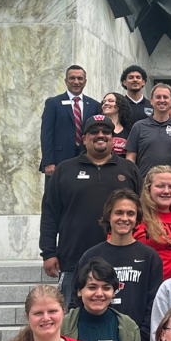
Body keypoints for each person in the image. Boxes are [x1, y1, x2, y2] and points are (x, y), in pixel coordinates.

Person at [39, 115, 142, 305]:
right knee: (73, 320)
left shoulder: (129, 170)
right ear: (84, 138)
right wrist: (48, 252)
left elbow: (141, 214)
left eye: (106, 132)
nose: (100, 135)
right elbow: (50, 213)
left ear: (113, 138)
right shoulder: (64, 170)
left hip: (122, 260)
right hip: (73, 260)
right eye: (94, 132)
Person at [76, 190, 163, 341]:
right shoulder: (90, 256)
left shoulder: (149, 257)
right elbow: (77, 298)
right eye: (119, 212)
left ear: (137, 219)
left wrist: (141, 337)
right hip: (94, 339)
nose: (124, 218)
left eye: (130, 213)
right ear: (109, 215)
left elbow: (154, 304)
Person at [40, 65, 100, 176]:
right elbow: (46, 134)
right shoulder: (53, 103)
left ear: (85, 82)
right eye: (72, 78)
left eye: (80, 78)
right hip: (58, 161)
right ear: (66, 81)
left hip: (87, 159)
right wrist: (48, 162)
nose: (76, 82)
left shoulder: (94, 105)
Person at [134, 165, 171, 280]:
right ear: (148, 188)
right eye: (160, 186)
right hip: (146, 286)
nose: (166, 191)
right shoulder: (135, 217)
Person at [125, 83, 171, 178]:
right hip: (145, 183)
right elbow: (130, 157)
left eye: (165, 97)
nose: (162, 100)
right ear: (151, 101)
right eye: (158, 97)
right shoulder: (139, 126)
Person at [99, 92, 133, 156]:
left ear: (120, 105)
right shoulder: (97, 128)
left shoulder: (129, 130)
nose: (106, 103)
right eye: (104, 102)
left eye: (111, 101)